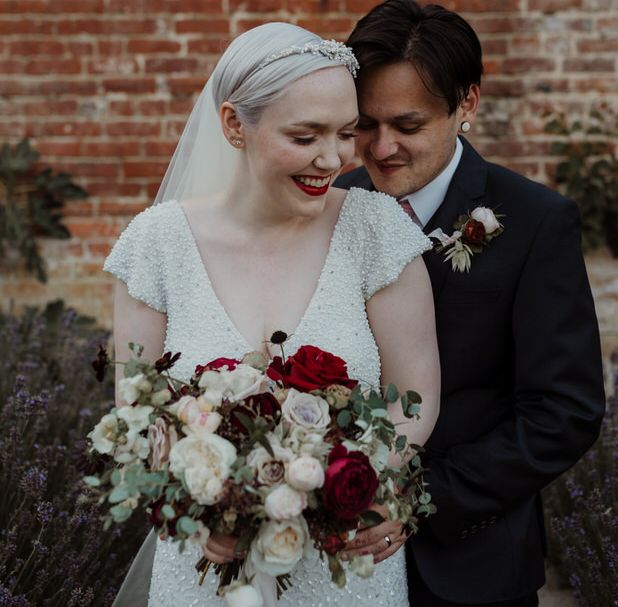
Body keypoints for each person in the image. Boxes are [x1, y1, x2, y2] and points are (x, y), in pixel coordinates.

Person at [103, 22, 440, 607]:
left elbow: (414, 395)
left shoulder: (377, 231)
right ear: (235, 125)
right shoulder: (157, 244)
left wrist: (349, 487)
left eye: (343, 132)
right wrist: (198, 503)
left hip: (346, 563)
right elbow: (135, 412)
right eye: (305, 135)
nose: (332, 158)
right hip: (207, 561)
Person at [335, 2, 606, 606]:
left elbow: (565, 411)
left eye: (408, 126)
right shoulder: (333, 204)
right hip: (332, 561)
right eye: (364, 125)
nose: (381, 149)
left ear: (467, 105)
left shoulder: (538, 221)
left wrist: (418, 497)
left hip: (470, 565)